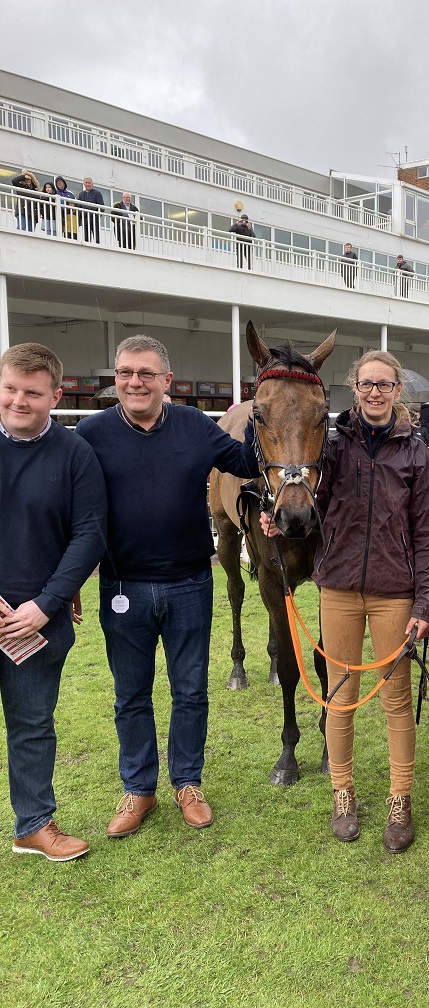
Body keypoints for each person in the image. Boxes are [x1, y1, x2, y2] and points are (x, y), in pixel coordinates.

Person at [76, 335, 261, 839]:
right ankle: (139, 788)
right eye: (125, 372)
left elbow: (249, 465)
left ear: (167, 381)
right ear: (116, 378)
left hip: (188, 586)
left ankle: (187, 782)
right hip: (122, 586)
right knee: (130, 695)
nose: (135, 382)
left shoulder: (197, 427)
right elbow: (67, 508)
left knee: (190, 691)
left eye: (146, 373)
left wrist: (270, 414)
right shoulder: (89, 434)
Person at [279, 349, 429, 852]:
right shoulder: (330, 449)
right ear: (355, 388)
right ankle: (343, 793)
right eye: (367, 384)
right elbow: (308, 505)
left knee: (395, 701)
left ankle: (400, 799)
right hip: (340, 588)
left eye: (384, 385)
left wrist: (424, 606)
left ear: (397, 392)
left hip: (396, 592)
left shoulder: (415, 454)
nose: (375, 392)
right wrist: (277, 521)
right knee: (341, 696)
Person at [0, 343, 107, 861]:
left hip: (34, 623)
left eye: (32, 393)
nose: (18, 401)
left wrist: (46, 604)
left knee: (32, 726)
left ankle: (34, 825)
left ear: (56, 396)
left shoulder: (74, 454)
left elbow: (89, 534)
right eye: (10, 389)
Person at [77, 177, 105, 243]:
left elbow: (101, 207)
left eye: (89, 183)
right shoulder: (81, 194)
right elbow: (79, 206)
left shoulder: (97, 193)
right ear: (84, 184)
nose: (87, 184)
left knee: (96, 236)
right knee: (86, 237)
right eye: (86, 183)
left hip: (94, 219)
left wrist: (95, 215)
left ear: (92, 184)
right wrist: (80, 218)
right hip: (85, 219)